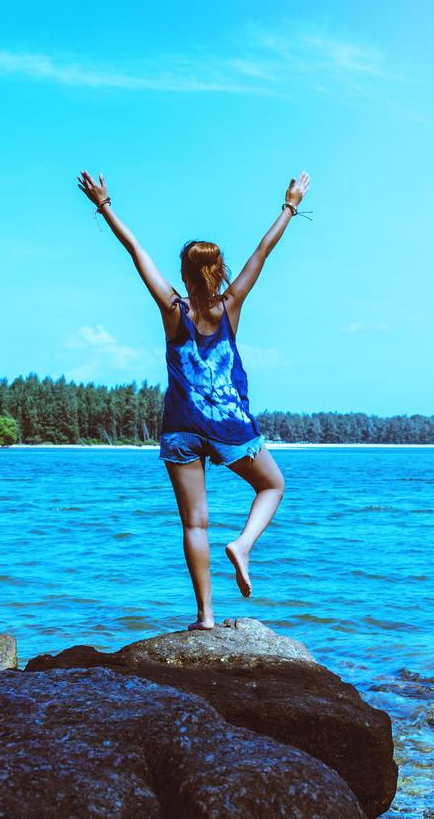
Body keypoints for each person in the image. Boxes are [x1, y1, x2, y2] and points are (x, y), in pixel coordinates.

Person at [76, 169, 310, 629]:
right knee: (272, 485)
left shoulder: (172, 309)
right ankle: (243, 545)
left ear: (184, 274)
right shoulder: (231, 303)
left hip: (181, 426)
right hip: (229, 424)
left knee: (195, 524)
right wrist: (290, 205)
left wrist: (104, 205)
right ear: (219, 271)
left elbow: (135, 252)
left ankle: (205, 616)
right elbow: (264, 251)